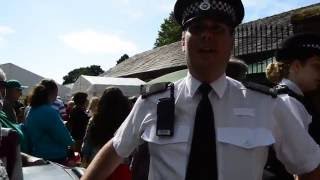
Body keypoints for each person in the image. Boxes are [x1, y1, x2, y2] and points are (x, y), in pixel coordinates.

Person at [82, 0, 320, 179]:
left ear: (231, 41)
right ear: (183, 42)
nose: (207, 35)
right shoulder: (151, 101)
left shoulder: (268, 104)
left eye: (217, 28)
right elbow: (114, 150)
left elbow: (309, 167)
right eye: (197, 28)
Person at [265, 33, 320, 180]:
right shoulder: (288, 101)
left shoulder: (297, 99)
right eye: (317, 66)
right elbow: (303, 168)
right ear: (296, 66)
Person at [24, 79, 74, 163]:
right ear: (53, 93)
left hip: (37, 155)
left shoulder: (30, 109)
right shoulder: (48, 111)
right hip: (53, 158)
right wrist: (72, 144)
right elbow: (65, 138)